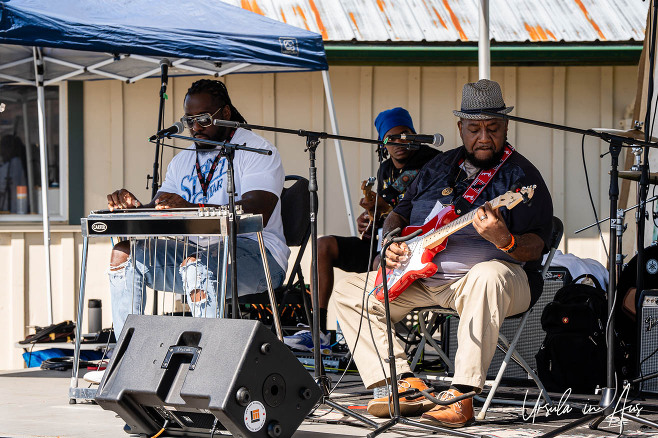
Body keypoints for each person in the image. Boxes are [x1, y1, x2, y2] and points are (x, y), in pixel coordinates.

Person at [333, 79, 553, 426]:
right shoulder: (437, 167)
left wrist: (505, 240)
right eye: (474, 129)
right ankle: (399, 385)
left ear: (506, 127)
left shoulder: (522, 178)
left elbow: (538, 244)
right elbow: (399, 212)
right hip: (422, 277)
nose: (484, 137)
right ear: (459, 128)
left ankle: (461, 395)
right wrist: (389, 243)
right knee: (347, 290)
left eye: (493, 128)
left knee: (487, 274)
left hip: (496, 283)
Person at [106, 79, 289, 337]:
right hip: (194, 254)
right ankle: (124, 354)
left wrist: (193, 207)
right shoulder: (181, 161)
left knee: (196, 265)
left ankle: (209, 363)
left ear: (225, 113)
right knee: (123, 254)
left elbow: (257, 211)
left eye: (203, 119)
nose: (194, 127)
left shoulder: (256, 150)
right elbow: (160, 206)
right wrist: (133, 208)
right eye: (189, 120)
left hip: (257, 255)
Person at [283, 108, 438, 354]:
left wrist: (388, 211)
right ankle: (317, 331)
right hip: (381, 243)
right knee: (323, 245)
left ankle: (381, 344)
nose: (399, 142)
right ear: (382, 143)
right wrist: (368, 218)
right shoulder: (385, 170)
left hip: (411, 247)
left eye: (405, 135)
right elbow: (383, 212)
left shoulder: (433, 163)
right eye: (391, 137)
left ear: (415, 135)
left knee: (380, 262)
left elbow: (428, 212)